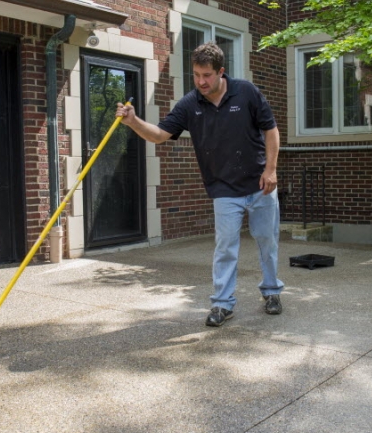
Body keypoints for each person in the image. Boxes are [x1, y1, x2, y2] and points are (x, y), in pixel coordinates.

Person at [115, 42, 284, 327]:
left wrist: (271, 170)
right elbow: (159, 135)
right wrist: (133, 122)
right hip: (223, 187)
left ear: (221, 72)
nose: (201, 82)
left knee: (267, 241)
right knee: (225, 247)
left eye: (206, 75)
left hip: (259, 183)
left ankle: (271, 292)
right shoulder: (190, 104)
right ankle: (222, 304)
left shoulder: (246, 92)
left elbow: (271, 130)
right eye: (196, 75)